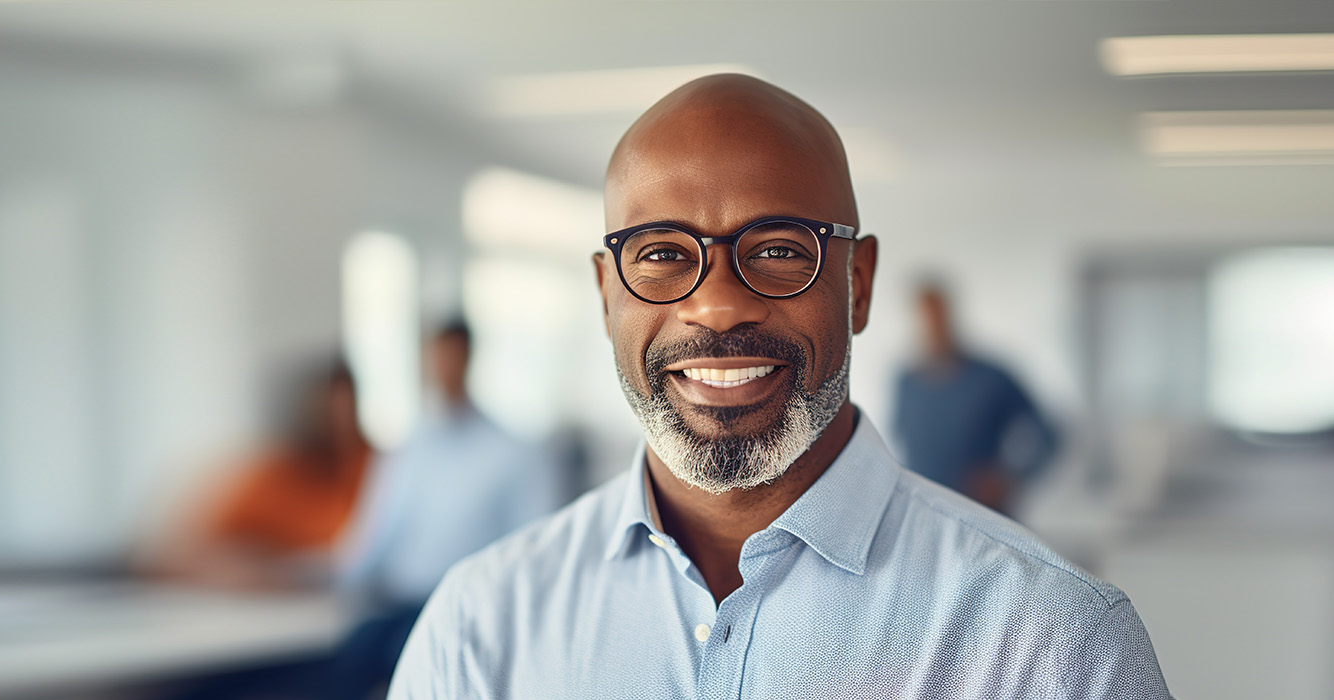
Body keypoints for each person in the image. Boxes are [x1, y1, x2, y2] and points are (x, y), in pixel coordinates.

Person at [388, 75, 1168, 698]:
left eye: (780, 250)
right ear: (605, 294)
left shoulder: (1051, 642)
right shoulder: (480, 626)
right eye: (661, 254)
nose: (718, 305)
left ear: (857, 285)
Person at [330, 320, 563, 698]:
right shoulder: (408, 449)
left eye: (452, 357)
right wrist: (286, 576)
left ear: (469, 358)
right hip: (399, 605)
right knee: (349, 657)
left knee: (404, 661)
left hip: (467, 611)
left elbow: (536, 556)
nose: (444, 367)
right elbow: (368, 546)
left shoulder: (515, 453)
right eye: (437, 357)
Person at [146, 357, 370, 591]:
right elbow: (176, 552)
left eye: (347, 407)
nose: (338, 422)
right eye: (328, 409)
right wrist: (254, 569)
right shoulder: (273, 476)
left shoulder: (378, 470)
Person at [894, 281, 1060, 512]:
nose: (932, 326)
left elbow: (1048, 435)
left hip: (986, 521)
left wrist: (1011, 478)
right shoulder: (906, 383)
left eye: (937, 317)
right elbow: (898, 445)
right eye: (925, 319)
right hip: (928, 521)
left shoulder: (992, 379)